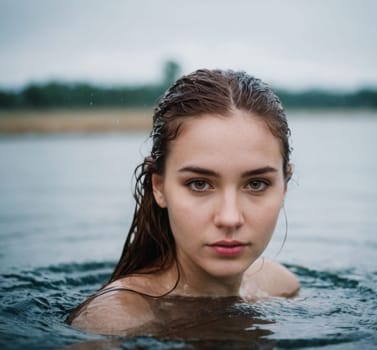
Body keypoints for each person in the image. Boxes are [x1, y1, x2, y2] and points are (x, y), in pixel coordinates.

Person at [67, 68, 300, 335]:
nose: (229, 218)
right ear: (159, 187)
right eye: (199, 184)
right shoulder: (114, 320)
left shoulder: (280, 285)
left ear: (285, 185)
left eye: (256, 184)